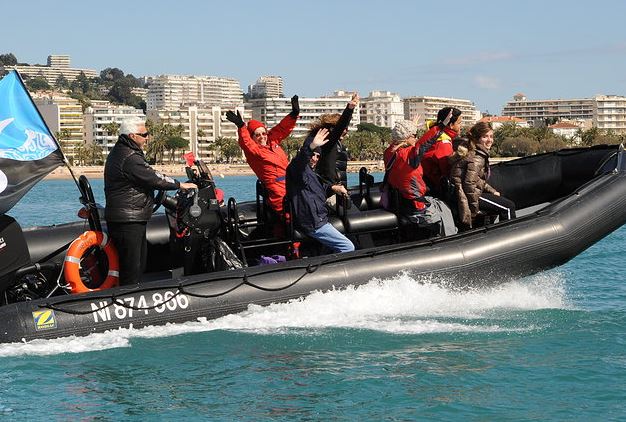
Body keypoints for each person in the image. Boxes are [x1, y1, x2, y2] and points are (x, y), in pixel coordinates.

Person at [104, 117, 197, 285]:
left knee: (137, 264)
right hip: (128, 219)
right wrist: (180, 185)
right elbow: (153, 177)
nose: (147, 138)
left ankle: (134, 296)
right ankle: (129, 300)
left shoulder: (124, 151)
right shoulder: (129, 157)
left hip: (131, 217)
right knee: (132, 267)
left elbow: (149, 176)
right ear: (132, 135)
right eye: (144, 134)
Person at [225, 95, 300, 215]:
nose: (262, 137)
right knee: (288, 217)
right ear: (252, 137)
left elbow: (281, 129)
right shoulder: (254, 151)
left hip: (290, 184)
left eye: (263, 133)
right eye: (257, 135)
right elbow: (246, 143)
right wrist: (241, 127)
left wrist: (293, 114)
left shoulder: (272, 142)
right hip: (277, 190)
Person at [383, 120, 457, 236]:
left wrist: (411, 126)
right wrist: (442, 126)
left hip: (398, 203)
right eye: (415, 136)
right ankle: (450, 238)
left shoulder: (389, 152)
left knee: (435, 202)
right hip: (415, 207)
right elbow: (425, 142)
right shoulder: (410, 155)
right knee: (443, 208)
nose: (416, 138)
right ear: (407, 137)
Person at [286, 128, 355, 253]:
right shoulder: (296, 169)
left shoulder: (310, 172)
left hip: (319, 219)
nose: (315, 159)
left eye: (318, 156)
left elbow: (315, 188)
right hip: (313, 223)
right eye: (313, 155)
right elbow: (300, 160)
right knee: (348, 247)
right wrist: (311, 146)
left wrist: (332, 187)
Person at [449, 121, 516, 230]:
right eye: (485, 137)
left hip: (469, 194)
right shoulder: (477, 158)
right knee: (508, 207)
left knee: (498, 200)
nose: (490, 140)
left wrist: (492, 191)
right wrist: (474, 210)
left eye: (491, 136)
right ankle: (509, 235)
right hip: (466, 196)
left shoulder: (475, 153)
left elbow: (477, 180)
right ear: (477, 138)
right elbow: (469, 186)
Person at [315, 93, 359, 187]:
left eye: (347, 128)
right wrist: (349, 109)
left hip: (339, 189)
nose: (346, 131)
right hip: (330, 189)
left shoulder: (337, 144)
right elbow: (340, 125)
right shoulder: (329, 142)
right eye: (344, 128)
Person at [419, 107, 463, 197]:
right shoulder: (443, 143)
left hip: (425, 182)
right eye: (459, 123)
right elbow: (447, 171)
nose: (461, 126)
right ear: (451, 125)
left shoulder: (434, 135)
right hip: (433, 188)